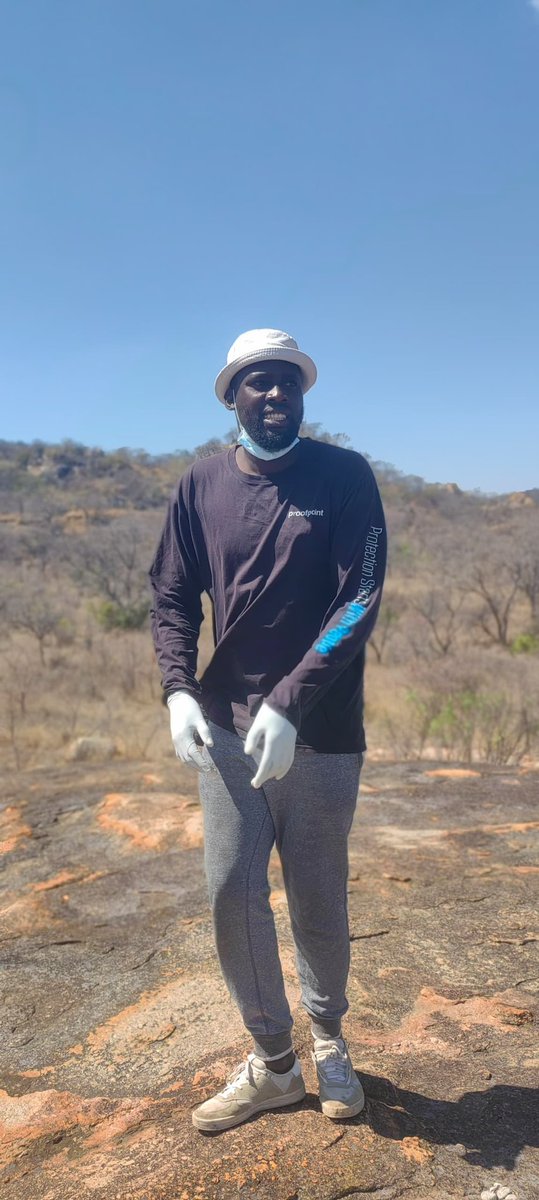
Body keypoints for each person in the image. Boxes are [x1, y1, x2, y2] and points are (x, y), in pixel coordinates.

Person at [149, 328, 387, 1133]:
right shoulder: (200, 485)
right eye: (259, 381)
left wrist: (290, 700)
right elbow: (173, 597)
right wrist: (178, 690)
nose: (277, 393)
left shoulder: (343, 476)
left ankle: (327, 1043)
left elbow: (358, 596)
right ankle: (274, 1063)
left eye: (289, 381)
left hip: (319, 728)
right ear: (232, 396)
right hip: (226, 728)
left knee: (316, 889)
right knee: (231, 891)